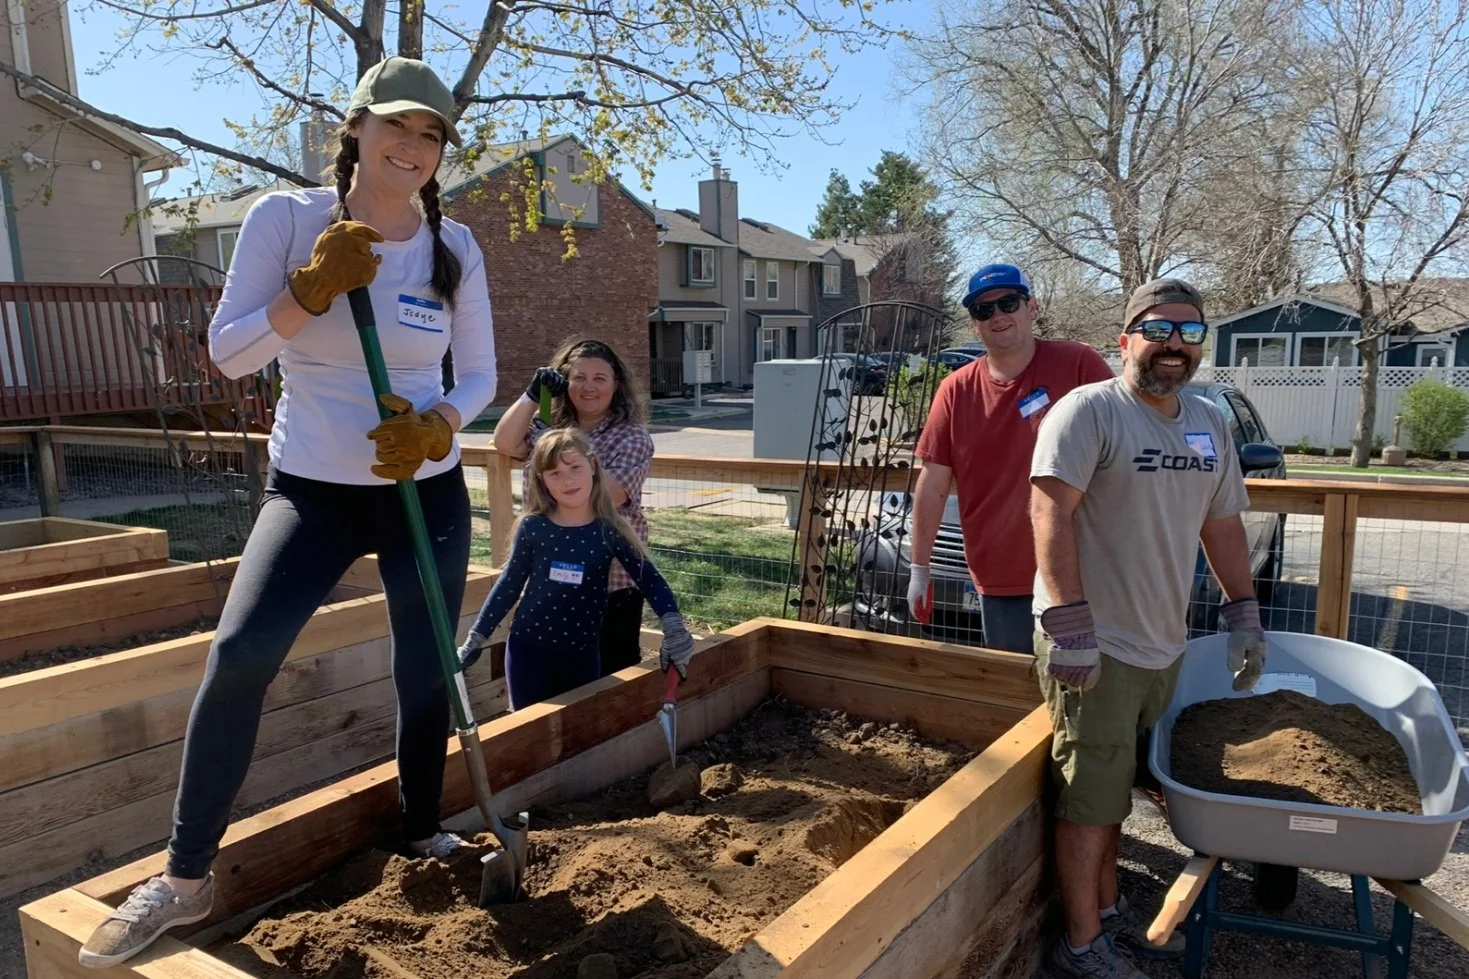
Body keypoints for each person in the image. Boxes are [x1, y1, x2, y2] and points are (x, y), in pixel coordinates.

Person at [79, 56, 498, 969]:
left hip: (421, 491)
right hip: (311, 489)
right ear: (354, 128)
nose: (414, 147)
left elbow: (480, 374)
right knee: (240, 654)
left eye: (431, 134)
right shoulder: (287, 221)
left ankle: (423, 827)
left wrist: (437, 425)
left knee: (425, 671)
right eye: (397, 126)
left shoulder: (452, 245)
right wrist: (306, 291)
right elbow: (229, 355)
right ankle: (184, 881)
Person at [1028, 277, 1267, 978]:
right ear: (1125, 337)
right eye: (1160, 329)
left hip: (1162, 643)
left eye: (1190, 333)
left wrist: (1242, 614)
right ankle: (1078, 945)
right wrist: (1069, 624)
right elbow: (1048, 515)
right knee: (1088, 799)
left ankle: (1102, 913)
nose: (1174, 345)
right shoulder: (1088, 412)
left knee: (1114, 799)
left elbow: (1219, 525)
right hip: (1094, 644)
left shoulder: (1206, 421)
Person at [906, 263, 1113, 653]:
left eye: (1008, 303)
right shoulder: (955, 390)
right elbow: (932, 483)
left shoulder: (1078, 364)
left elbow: (1126, 439)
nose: (998, 316)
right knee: (1017, 694)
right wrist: (920, 569)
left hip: (1084, 573)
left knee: (1092, 697)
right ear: (974, 324)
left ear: (1031, 307)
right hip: (1001, 576)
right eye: (984, 310)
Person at [457, 428, 693, 706]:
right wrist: (476, 638)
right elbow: (509, 584)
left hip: (581, 656)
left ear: (593, 466)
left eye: (574, 467)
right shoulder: (533, 527)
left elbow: (650, 580)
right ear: (542, 481)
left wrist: (673, 625)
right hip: (527, 653)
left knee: (577, 733)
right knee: (529, 733)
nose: (567, 479)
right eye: (554, 473)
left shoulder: (610, 530)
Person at [492, 338, 656, 674]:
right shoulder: (548, 427)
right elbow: (505, 442)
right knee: (553, 674)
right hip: (548, 577)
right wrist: (532, 396)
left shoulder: (631, 438)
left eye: (600, 378)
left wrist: (555, 450)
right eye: (578, 378)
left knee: (609, 676)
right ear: (565, 381)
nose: (589, 387)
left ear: (616, 385)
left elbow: (607, 496)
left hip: (609, 582)